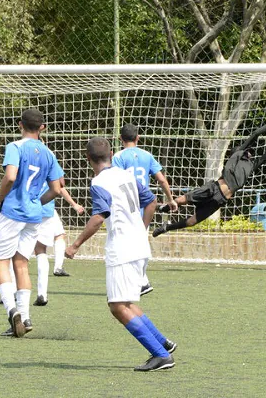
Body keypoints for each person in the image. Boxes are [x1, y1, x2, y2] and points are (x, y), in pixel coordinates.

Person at [65, 137, 176, 372]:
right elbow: (152, 201)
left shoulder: (99, 182)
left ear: (87, 159)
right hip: (139, 245)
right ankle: (162, 343)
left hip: (122, 248)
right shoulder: (127, 175)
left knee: (117, 306)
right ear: (112, 153)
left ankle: (161, 355)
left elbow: (98, 217)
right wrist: (142, 228)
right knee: (126, 302)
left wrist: (75, 245)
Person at [0, 108, 63, 338]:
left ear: (20, 125)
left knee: (0, 262)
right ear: (42, 128)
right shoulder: (49, 153)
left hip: (12, 212)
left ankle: (12, 311)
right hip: (33, 217)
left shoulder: (15, 147)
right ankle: (26, 316)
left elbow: (10, 176)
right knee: (21, 264)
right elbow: (57, 189)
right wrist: (37, 202)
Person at [153, 115, 266, 236]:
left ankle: (167, 227)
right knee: (183, 200)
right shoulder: (239, 153)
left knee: (192, 222)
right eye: (247, 150)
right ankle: (162, 207)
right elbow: (255, 134)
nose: (250, 152)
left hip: (220, 199)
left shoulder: (252, 165)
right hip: (214, 188)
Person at [112, 123, 177, 295]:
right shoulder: (147, 155)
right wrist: (170, 199)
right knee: (141, 241)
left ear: (120, 139)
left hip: (126, 206)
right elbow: (162, 180)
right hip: (145, 206)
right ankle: (142, 280)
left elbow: (115, 180)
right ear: (138, 138)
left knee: (125, 245)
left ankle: (139, 281)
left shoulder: (118, 157)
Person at [33, 177, 85, 307]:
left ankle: (58, 267)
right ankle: (42, 292)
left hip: (31, 207)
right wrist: (74, 204)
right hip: (44, 208)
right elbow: (60, 186)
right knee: (39, 249)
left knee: (59, 235)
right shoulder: (49, 159)